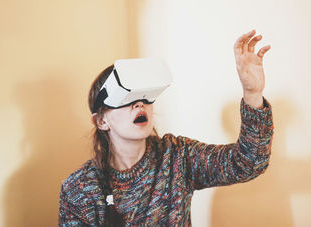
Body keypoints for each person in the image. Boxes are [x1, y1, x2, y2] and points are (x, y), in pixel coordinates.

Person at [59, 30, 274, 226]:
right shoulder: (79, 189)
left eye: (144, 96)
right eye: (127, 97)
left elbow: (248, 163)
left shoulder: (177, 156)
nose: (139, 104)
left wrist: (252, 93)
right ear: (101, 121)